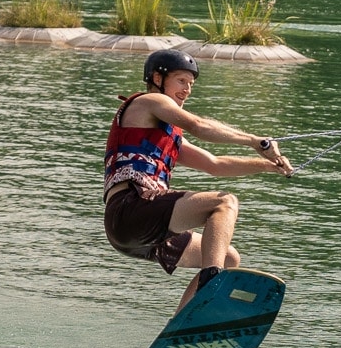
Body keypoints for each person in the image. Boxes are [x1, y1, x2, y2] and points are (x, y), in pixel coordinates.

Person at [103, 47, 294, 310]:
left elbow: (215, 164)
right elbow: (199, 125)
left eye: (191, 84)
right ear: (157, 79)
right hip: (131, 210)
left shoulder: (167, 136)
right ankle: (210, 285)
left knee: (227, 257)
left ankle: (183, 324)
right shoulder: (149, 102)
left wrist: (268, 166)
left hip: (136, 232)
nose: (187, 89)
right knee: (224, 202)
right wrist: (253, 141)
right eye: (181, 80)